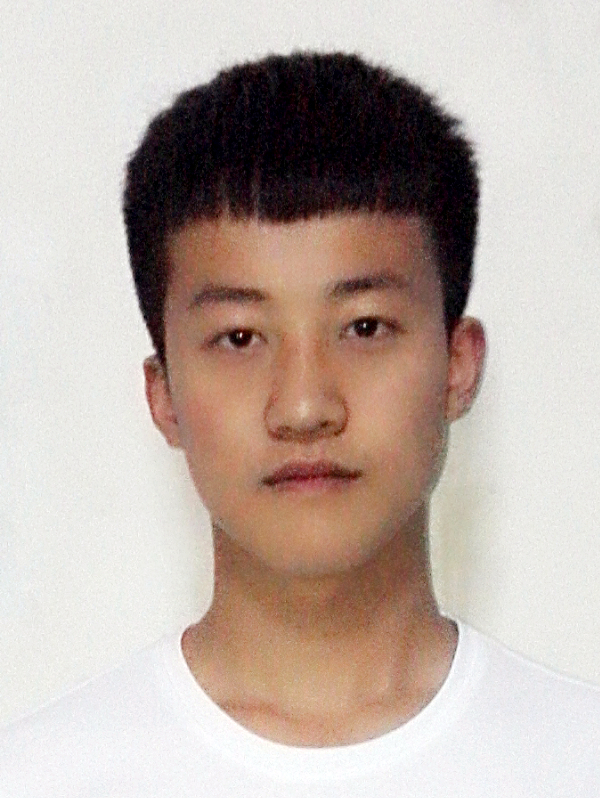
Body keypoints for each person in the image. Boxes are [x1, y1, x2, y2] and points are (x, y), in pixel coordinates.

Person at [1, 51, 598, 797]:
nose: (305, 407)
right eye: (239, 338)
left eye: (365, 327)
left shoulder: (578, 759)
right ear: (163, 395)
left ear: (457, 364)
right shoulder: (38, 776)